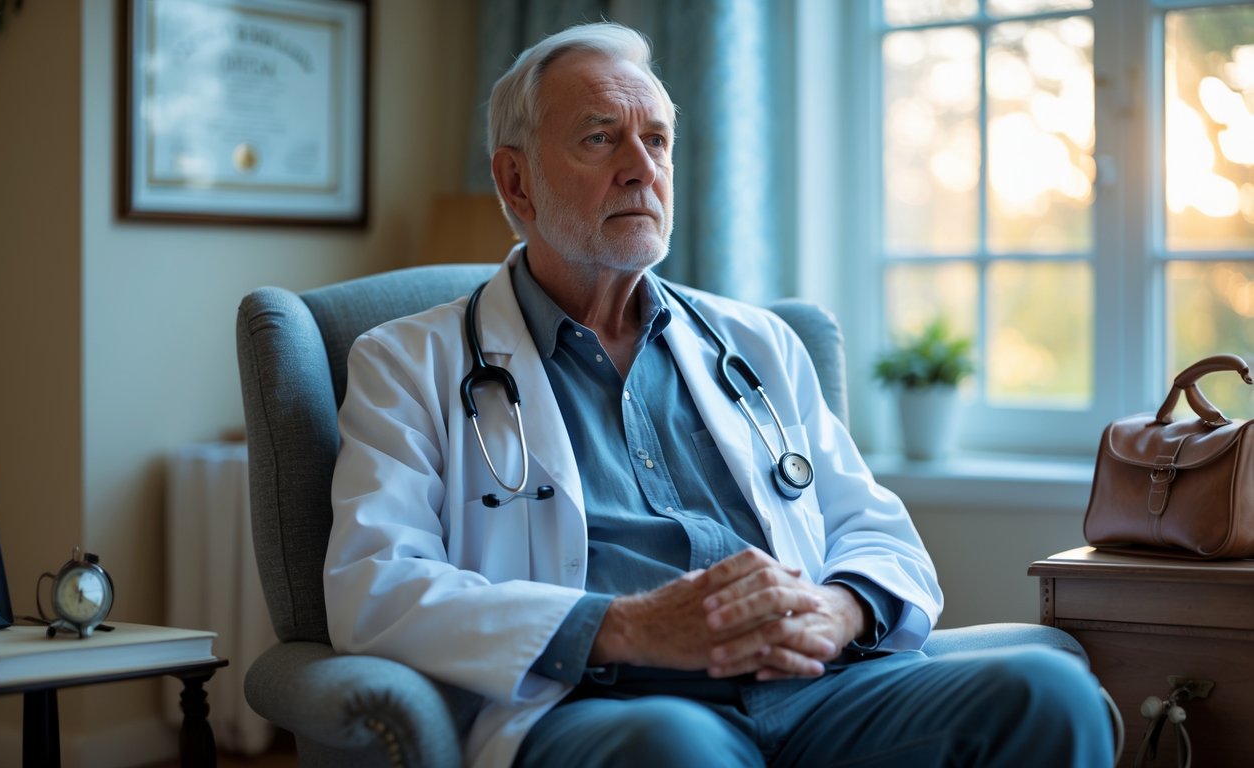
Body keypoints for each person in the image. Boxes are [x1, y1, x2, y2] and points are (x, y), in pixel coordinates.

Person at [325, 21, 1113, 768]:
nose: (641, 167)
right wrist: (626, 627)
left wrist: (838, 612)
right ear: (515, 180)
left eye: (656, 141)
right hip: (605, 701)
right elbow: (375, 586)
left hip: (813, 688)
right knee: (675, 746)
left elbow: (874, 531)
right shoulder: (408, 363)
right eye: (600, 138)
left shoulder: (758, 342)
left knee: (1044, 694)